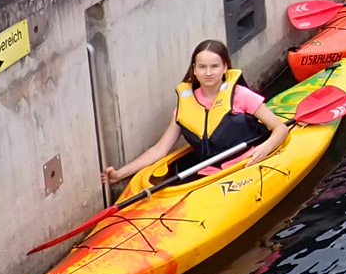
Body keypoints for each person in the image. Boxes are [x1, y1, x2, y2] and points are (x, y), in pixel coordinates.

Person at [105, 40, 287, 189]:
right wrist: (120, 174)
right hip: (208, 175)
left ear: (225, 68)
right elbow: (160, 149)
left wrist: (265, 149)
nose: (208, 73)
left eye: (214, 66)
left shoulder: (241, 96)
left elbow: (280, 128)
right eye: (202, 67)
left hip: (248, 164)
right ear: (194, 69)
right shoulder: (184, 108)